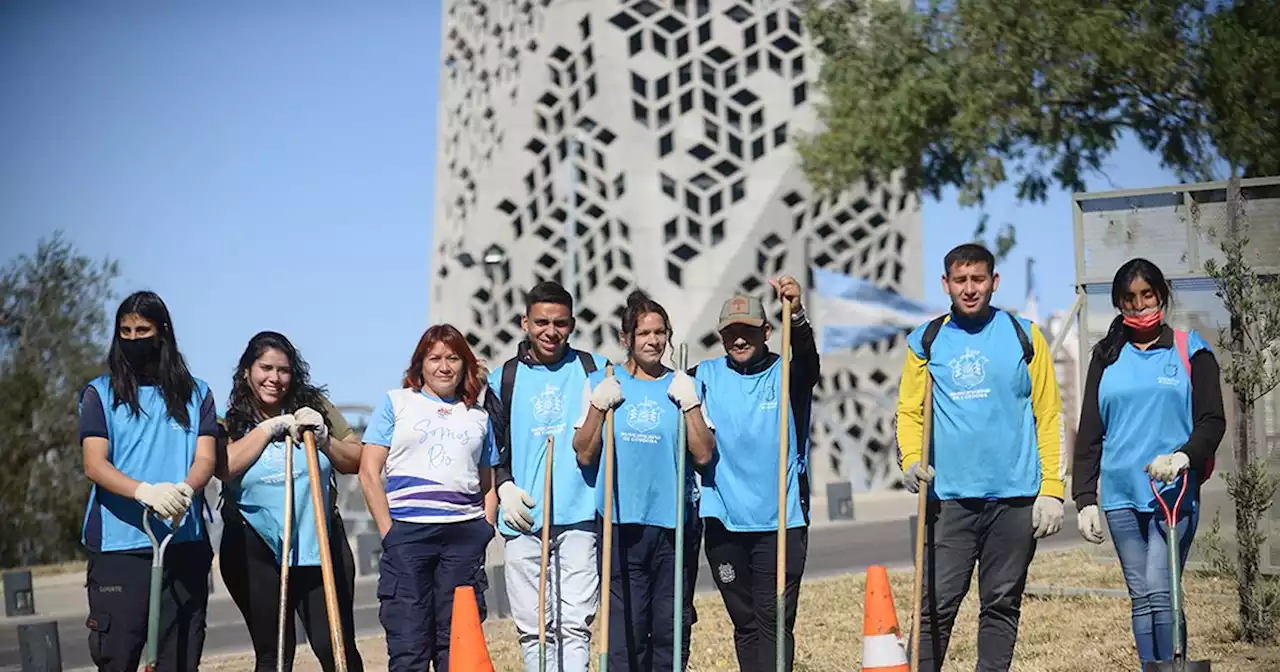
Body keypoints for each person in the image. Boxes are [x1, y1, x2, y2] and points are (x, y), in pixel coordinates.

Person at [895, 243, 1065, 672]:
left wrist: (1053, 490)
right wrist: (911, 460)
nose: (969, 289)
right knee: (936, 606)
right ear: (946, 284)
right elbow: (909, 411)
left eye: (978, 279)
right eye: (960, 280)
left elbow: (1048, 414)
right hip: (949, 498)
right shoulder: (926, 341)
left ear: (994, 282)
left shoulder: (1025, 335)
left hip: (1015, 497)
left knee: (1001, 605)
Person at [1072, 258, 1225, 667]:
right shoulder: (1106, 356)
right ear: (1119, 304)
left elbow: (1212, 420)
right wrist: (1084, 496)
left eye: (1147, 296)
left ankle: (1173, 666)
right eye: (1130, 300)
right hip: (1120, 495)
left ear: (1162, 295)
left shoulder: (1190, 348)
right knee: (1141, 598)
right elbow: (1090, 429)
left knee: (1161, 589)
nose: (1140, 307)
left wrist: (1183, 457)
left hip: (1172, 492)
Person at [571, 290, 715, 671]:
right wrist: (599, 409)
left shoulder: (685, 385)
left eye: (659, 332)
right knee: (626, 633)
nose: (653, 341)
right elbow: (584, 452)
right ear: (626, 339)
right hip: (621, 524)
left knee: (669, 630)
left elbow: (703, 454)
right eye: (643, 334)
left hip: (673, 526)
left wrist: (690, 404)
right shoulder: (602, 381)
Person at [78, 291, 217, 672]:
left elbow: (206, 457)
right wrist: (143, 491)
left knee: (180, 658)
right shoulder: (100, 395)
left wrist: (187, 488)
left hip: (183, 541)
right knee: (117, 655)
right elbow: (95, 464)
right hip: (120, 547)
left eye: (143, 329)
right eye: (125, 330)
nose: (133, 337)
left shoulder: (198, 394)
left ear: (163, 333)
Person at [216, 331, 366, 672]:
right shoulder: (230, 421)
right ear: (246, 372)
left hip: (321, 542)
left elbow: (355, 458)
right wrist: (268, 429)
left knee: (335, 647)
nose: (274, 378)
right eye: (265, 368)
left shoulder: (316, 408)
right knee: (275, 654)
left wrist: (324, 438)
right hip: (255, 549)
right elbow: (224, 467)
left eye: (283, 370)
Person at [691, 276, 819, 672]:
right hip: (724, 520)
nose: (740, 341)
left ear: (766, 332)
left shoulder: (786, 375)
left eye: (748, 332)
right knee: (745, 622)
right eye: (732, 334)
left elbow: (809, 362)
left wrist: (795, 313)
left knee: (774, 619)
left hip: (780, 520)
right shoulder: (703, 376)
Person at [359, 324, 499, 672]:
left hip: (463, 537)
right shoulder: (397, 403)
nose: (444, 366)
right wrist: (389, 532)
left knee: (458, 642)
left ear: (465, 365)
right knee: (409, 643)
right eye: (434, 358)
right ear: (419, 364)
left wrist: (487, 526)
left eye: (453, 358)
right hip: (408, 535)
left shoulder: (479, 417)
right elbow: (368, 472)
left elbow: (488, 483)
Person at [486, 280, 607, 672]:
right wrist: (504, 487)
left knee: (575, 624)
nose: (550, 332)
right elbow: (491, 447)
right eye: (541, 322)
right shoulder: (503, 379)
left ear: (572, 324)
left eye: (559, 323)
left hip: (580, 514)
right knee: (533, 626)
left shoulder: (594, 370)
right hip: (524, 519)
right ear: (525, 322)